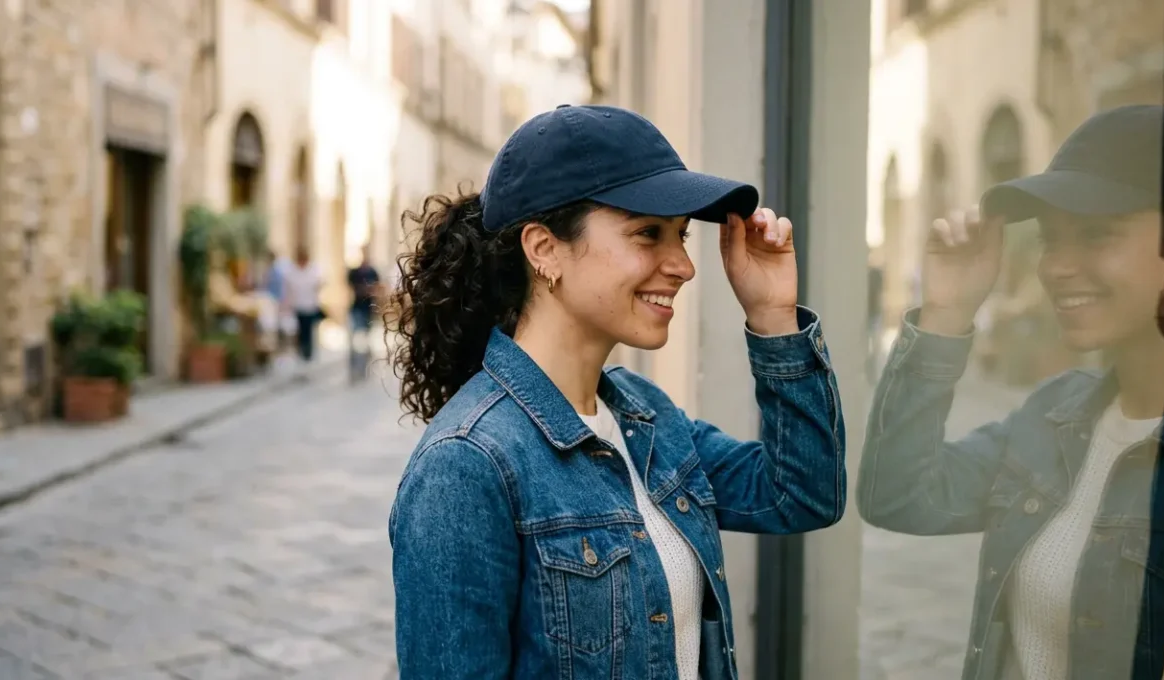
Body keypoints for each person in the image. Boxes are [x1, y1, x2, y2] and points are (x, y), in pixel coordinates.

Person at [386, 104, 846, 679]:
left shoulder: (644, 415)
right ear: (544, 249)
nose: (683, 265)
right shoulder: (466, 465)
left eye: (680, 236)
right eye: (647, 233)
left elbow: (803, 493)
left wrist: (774, 318)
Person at [858, 104, 1164, 680]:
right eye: (1053, 240)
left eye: (1097, 235)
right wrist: (946, 313)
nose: (1057, 267)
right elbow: (896, 494)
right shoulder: (1055, 414)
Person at [347, 247, 382, 381]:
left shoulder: (372, 272)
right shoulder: (354, 272)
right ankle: (355, 367)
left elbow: (377, 287)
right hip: (357, 308)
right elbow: (351, 287)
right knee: (356, 339)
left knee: (366, 339)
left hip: (368, 309)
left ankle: (364, 367)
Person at [283, 246, 322, 363]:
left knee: (308, 331)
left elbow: (319, 283)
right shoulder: (292, 271)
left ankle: (308, 354)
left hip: (310, 306)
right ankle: (301, 353)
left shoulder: (312, 270)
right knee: (299, 332)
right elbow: (289, 289)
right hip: (297, 306)